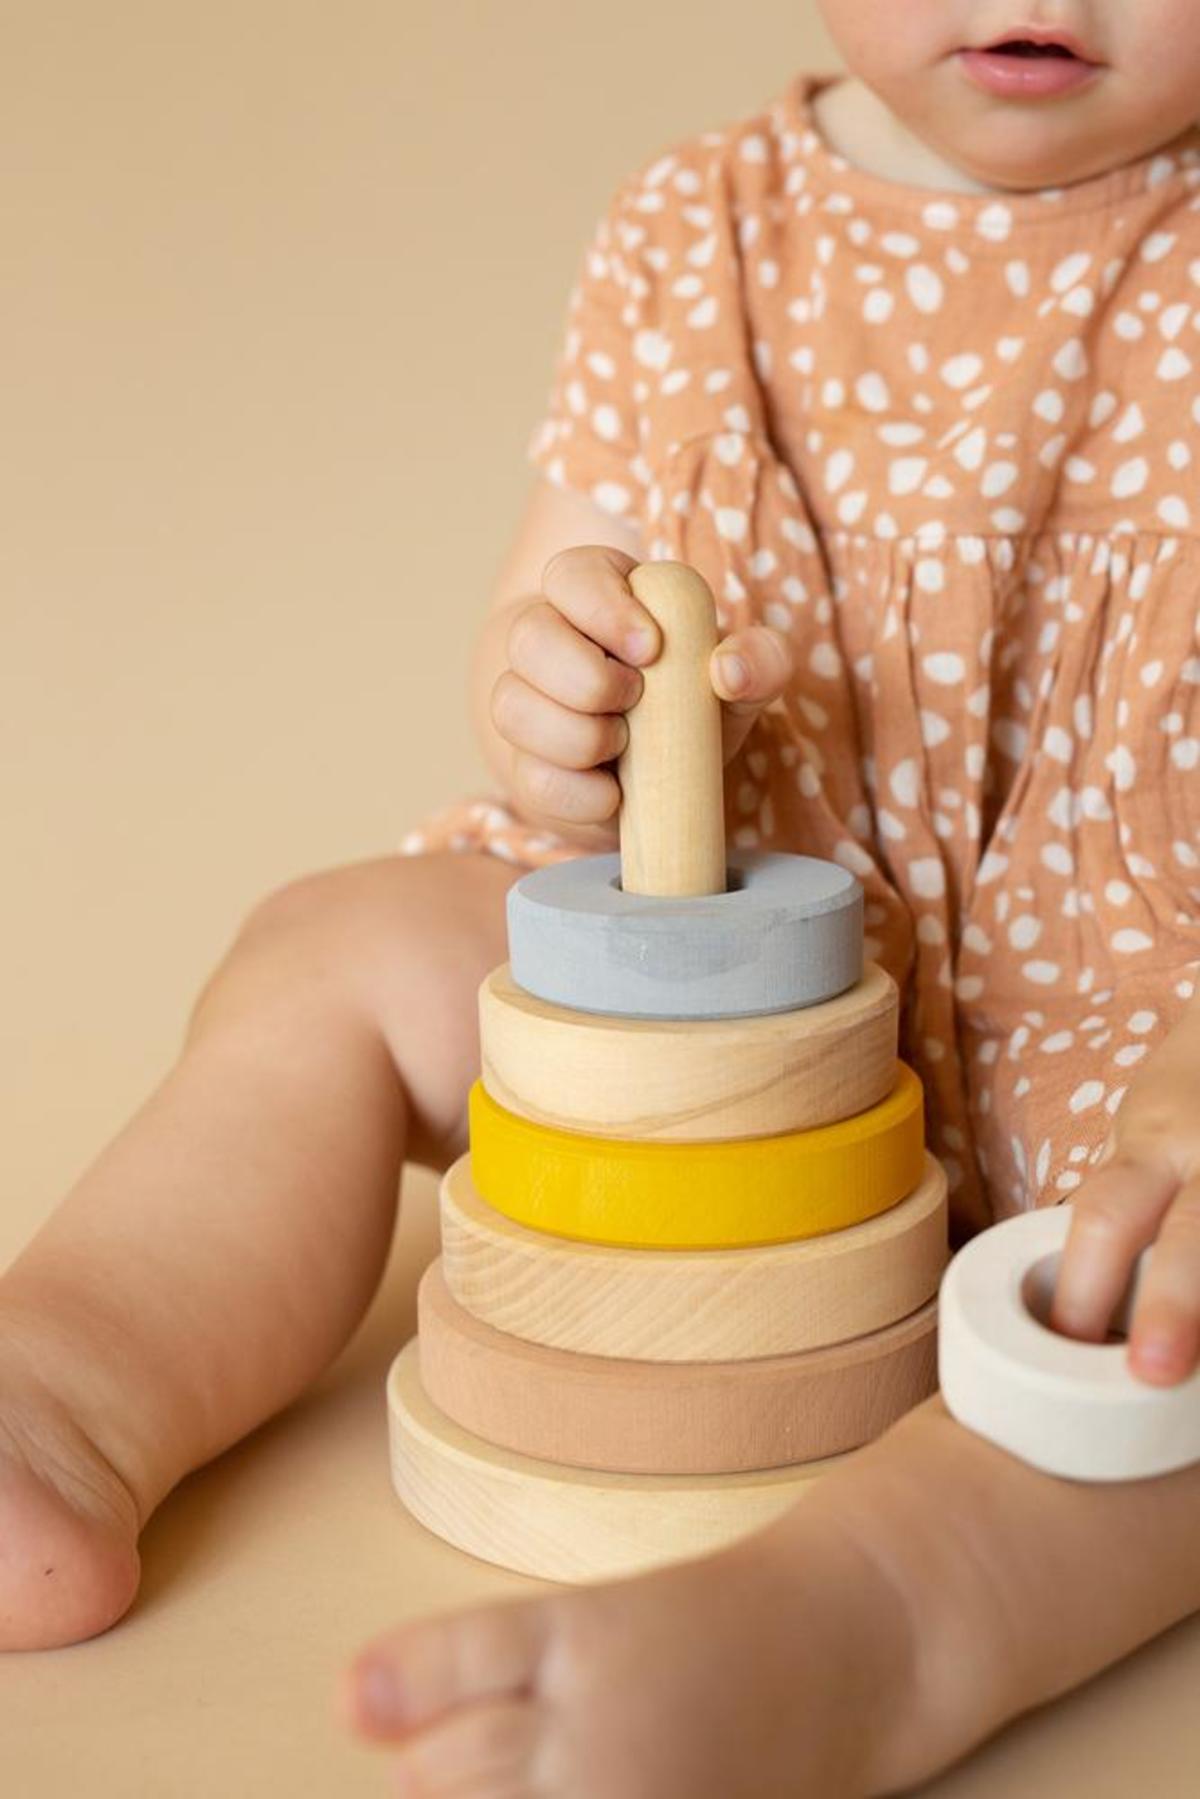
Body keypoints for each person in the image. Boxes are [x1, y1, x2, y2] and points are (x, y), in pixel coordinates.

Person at [4, 1, 1200, 1790]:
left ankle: (853, 1635)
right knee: (329, 950)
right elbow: (554, 606)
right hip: (707, 995)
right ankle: (75, 1382)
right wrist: (554, 695)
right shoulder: (695, 230)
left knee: (1175, 1337)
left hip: (1142, 1044)